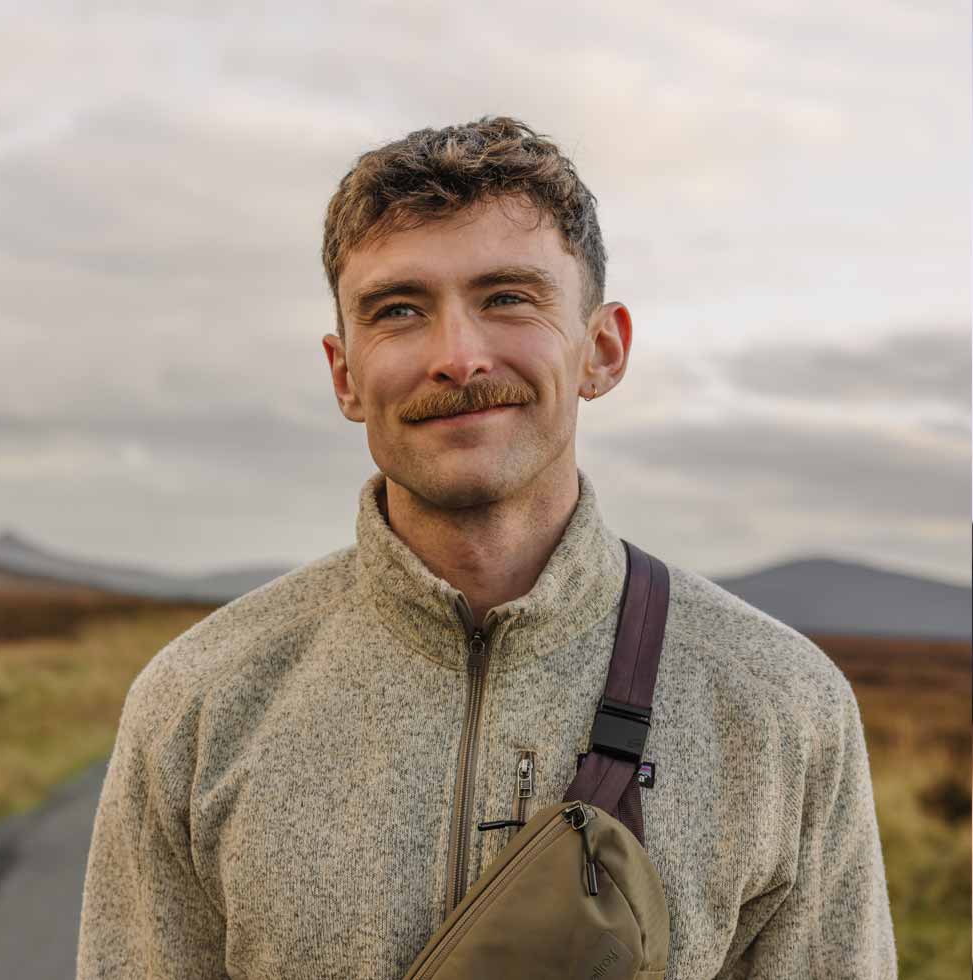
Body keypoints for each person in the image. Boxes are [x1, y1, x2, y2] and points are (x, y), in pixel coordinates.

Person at [76, 116, 897, 979]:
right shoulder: (198, 702)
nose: (458, 358)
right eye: (399, 310)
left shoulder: (785, 707)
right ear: (345, 375)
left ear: (602, 349)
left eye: (508, 297)